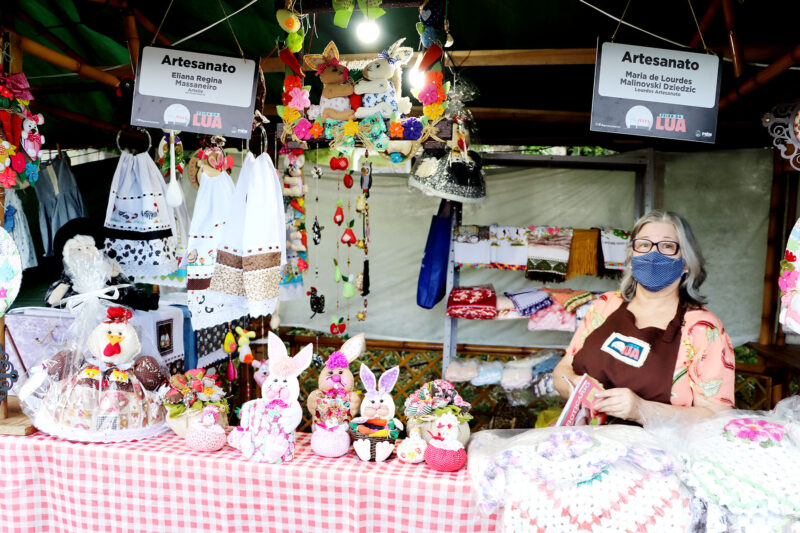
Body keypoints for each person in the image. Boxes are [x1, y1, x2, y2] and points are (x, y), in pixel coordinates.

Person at [553, 211, 735, 424]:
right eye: (644, 245)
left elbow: (717, 415)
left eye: (667, 246)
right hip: (578, 444)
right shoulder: (605, 306)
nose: (653, 255)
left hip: (654, 452)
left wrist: (641, 409)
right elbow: (563, 370)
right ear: (632, 257)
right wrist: (577, 388)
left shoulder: (703, 328)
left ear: (686, 263)